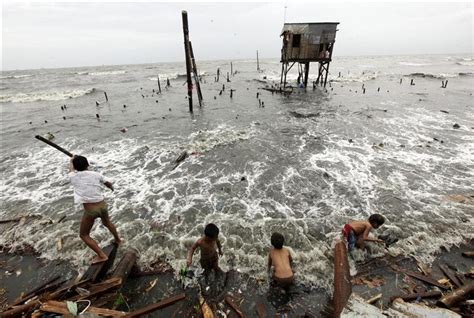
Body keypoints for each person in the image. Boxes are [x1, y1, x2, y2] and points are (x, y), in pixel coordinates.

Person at [69, 155, 121, 264]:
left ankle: (102, 255)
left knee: (84, 235)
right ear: (88, 164)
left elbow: (71, 169)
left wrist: (71, 160)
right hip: (102, 206)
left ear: (75, 166)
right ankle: (118, 240)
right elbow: (108, 183)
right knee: (107, 223)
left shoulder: (73, 176)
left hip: (91, 211)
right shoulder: (96, 175)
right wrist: (111, 188)